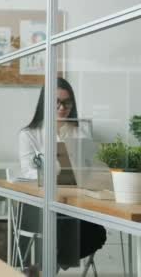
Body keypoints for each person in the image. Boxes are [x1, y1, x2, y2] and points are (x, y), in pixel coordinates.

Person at [18, 77, 106, 270]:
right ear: (45, 103)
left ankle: (45, 267)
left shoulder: (80, 131)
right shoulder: (29, 134)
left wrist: (68, 134)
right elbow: (28, 172)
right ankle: (49, 266)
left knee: (97, 233)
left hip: (75, 204)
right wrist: (55, 174)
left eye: (66, 102)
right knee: (59, 226)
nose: (61, 107)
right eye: (56, 101)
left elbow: (91, 170)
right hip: (41, 204)